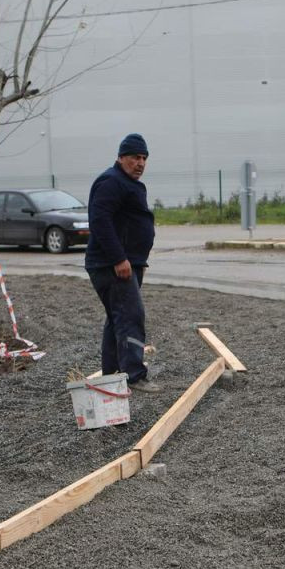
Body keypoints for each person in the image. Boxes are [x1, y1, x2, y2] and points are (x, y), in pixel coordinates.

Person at [85, 133, 160, 393]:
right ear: (120, 157)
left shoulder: (126, 183)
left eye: (143, 158)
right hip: (113, 266)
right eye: (134, 158)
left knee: (117, 319)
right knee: (131, 316)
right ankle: (134, 375)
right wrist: (119, 258)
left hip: (127, 263)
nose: (140, 163)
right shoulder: (111, 182)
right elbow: (100, 221)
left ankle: (112, 374)